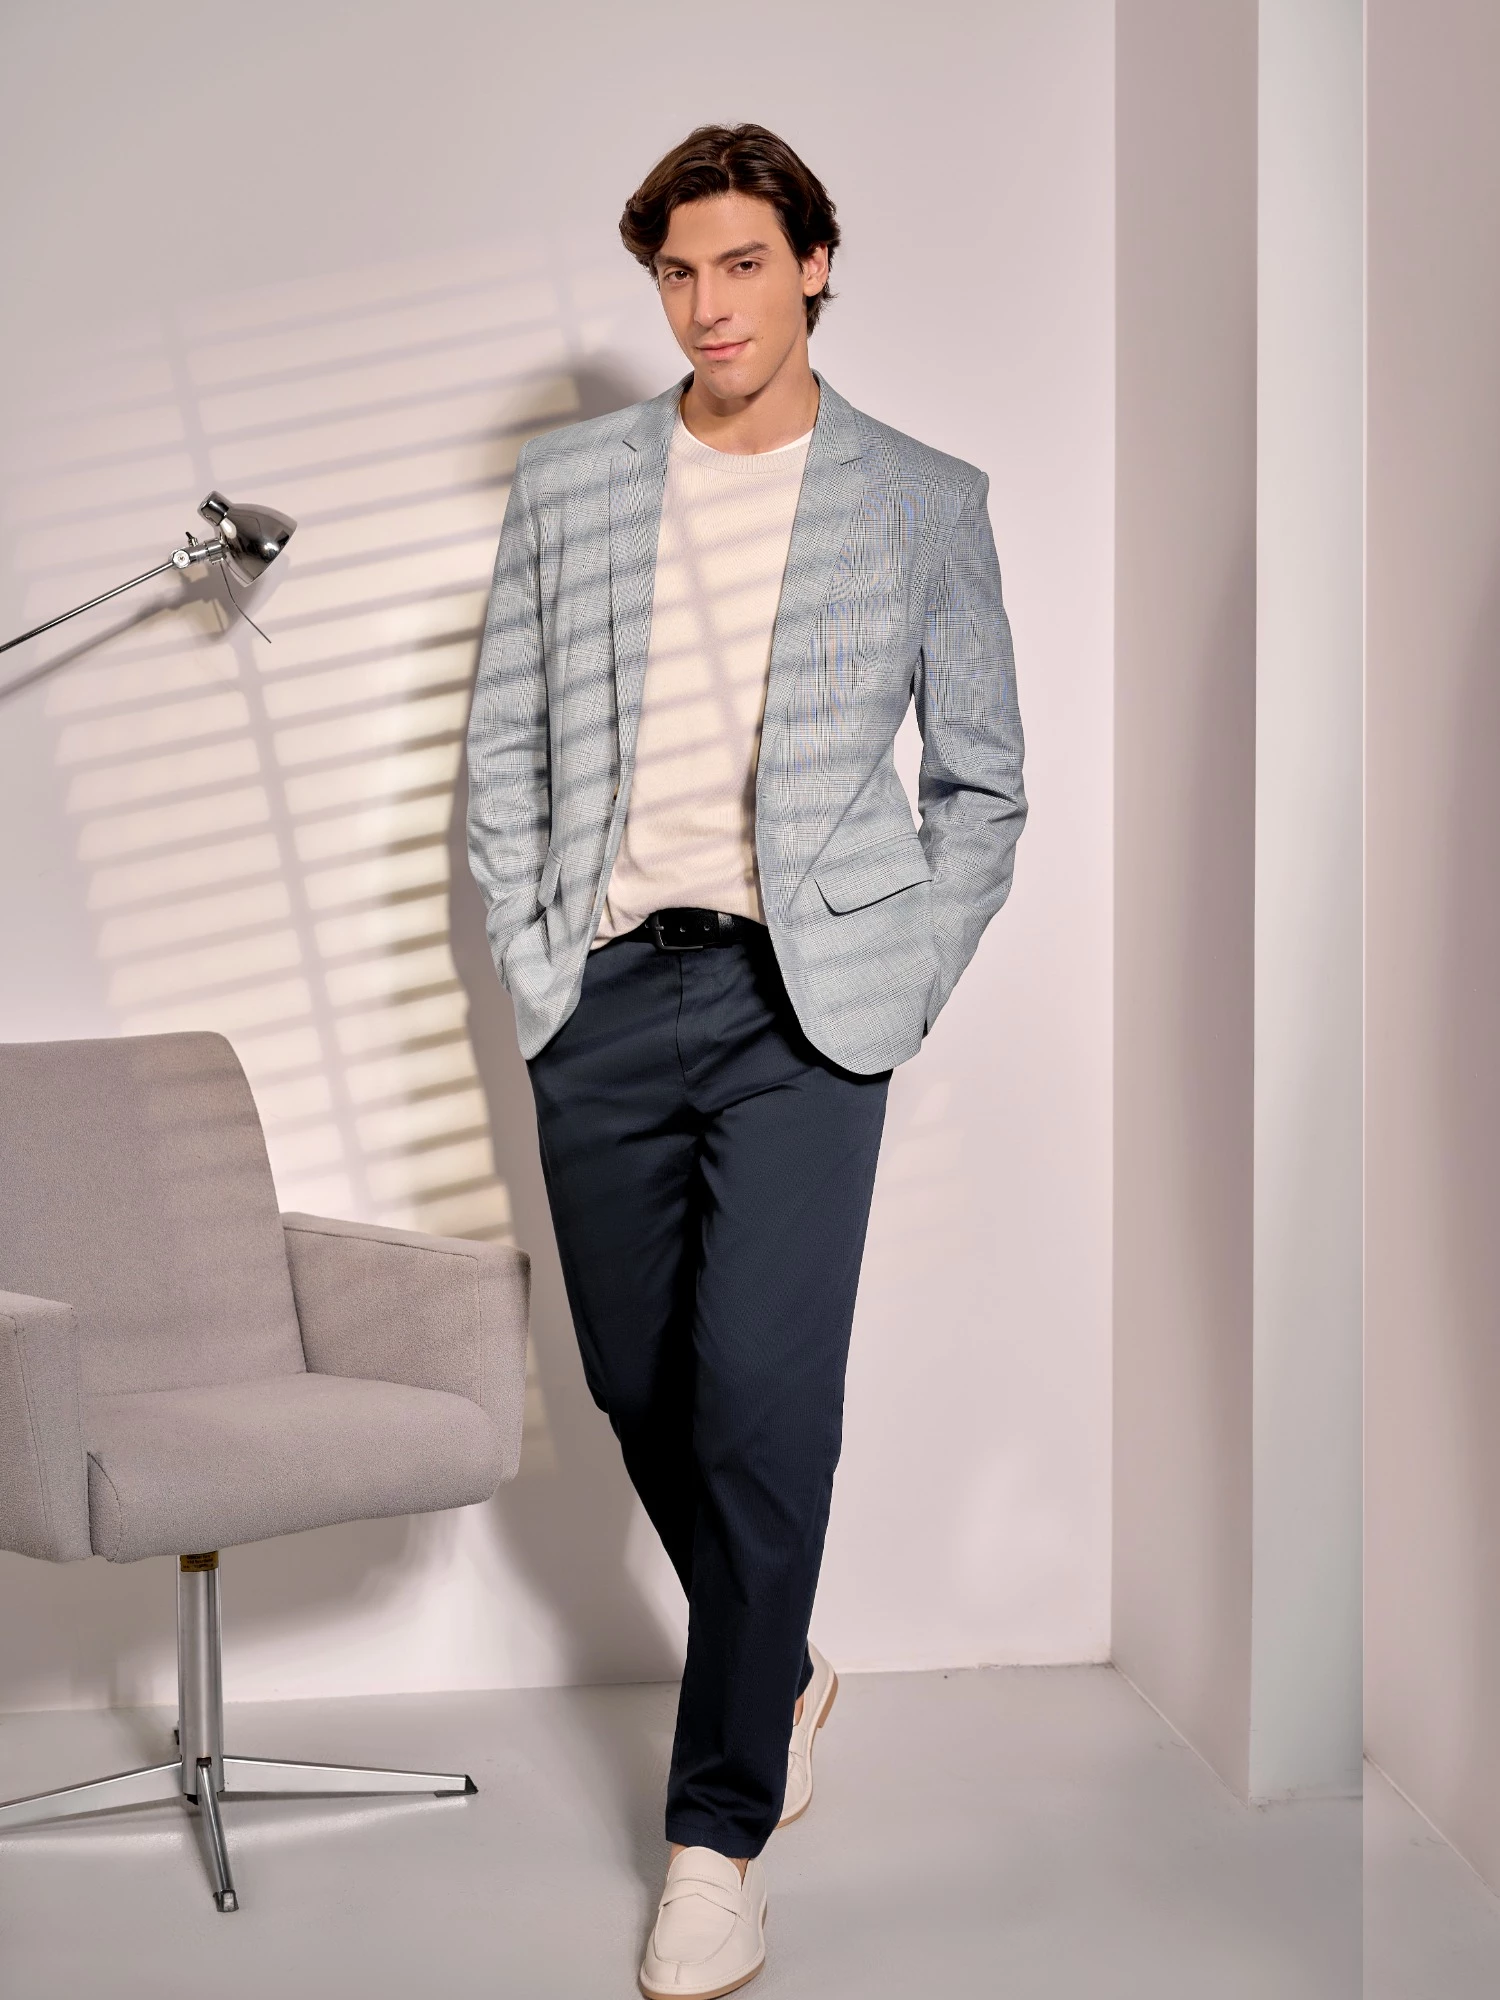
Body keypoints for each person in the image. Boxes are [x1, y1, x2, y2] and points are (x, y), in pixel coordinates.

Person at [467, 121, 1026, 2000]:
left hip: (809, 1009)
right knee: (638, 1380)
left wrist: (905, 974)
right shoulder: (573, 486)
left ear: (812, 267)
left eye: (741, 265)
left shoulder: (920, 500)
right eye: (677, 273)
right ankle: (775, 1664)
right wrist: (541, 970)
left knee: (765, 1402)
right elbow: (505, 754)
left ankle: (717, 1840)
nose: (708, 305)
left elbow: (983, 784)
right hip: (610, 997)